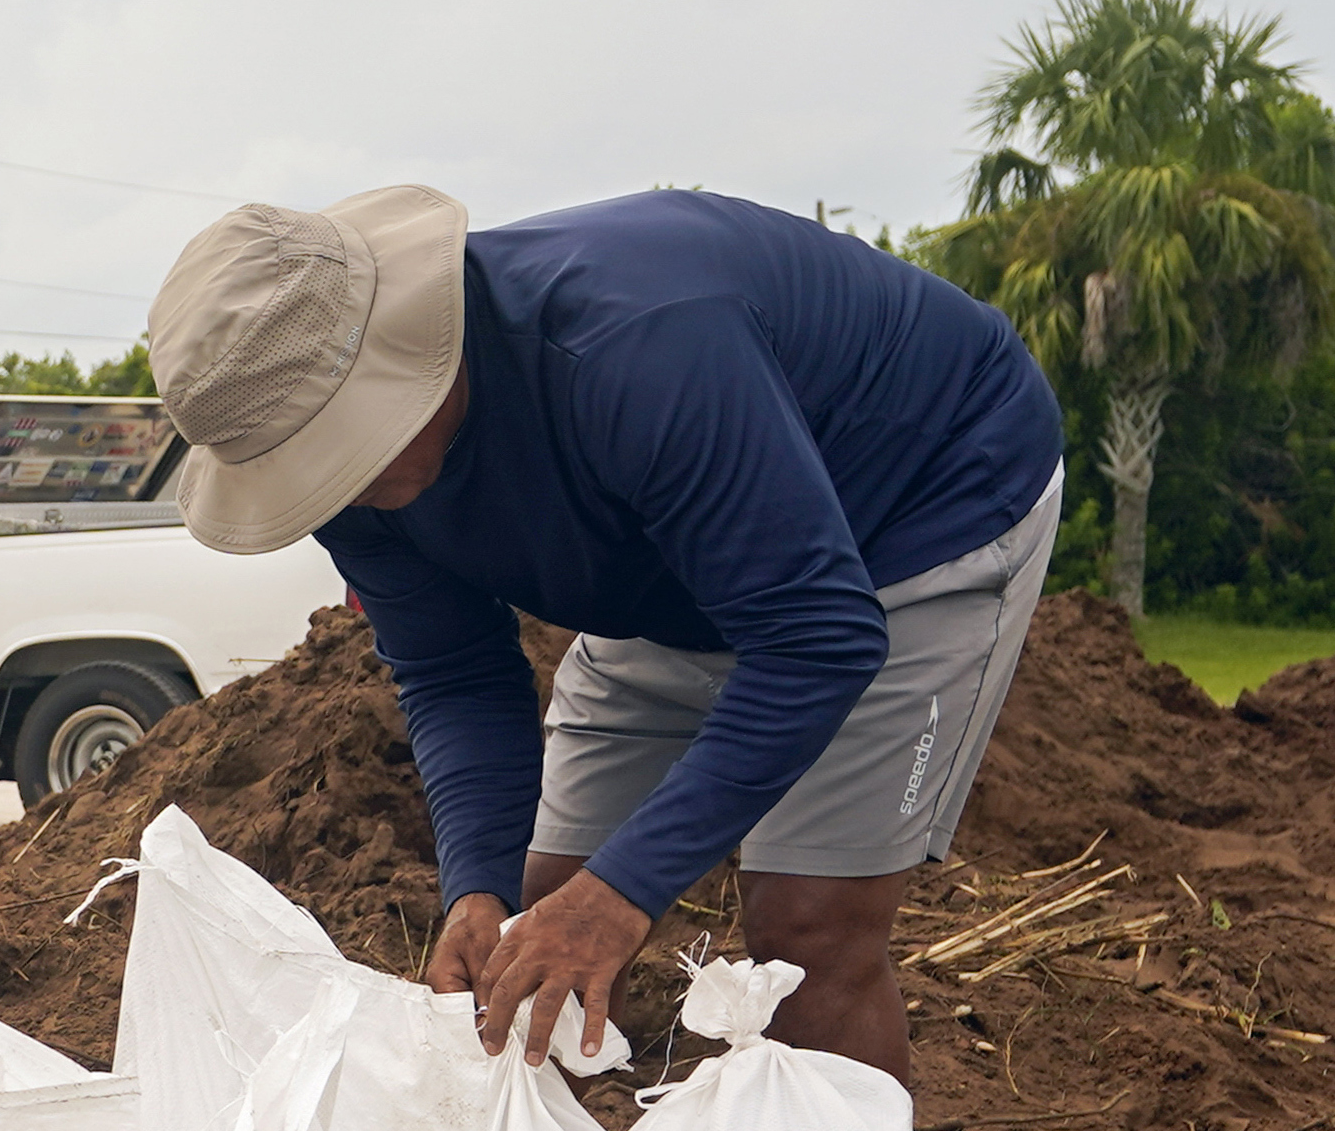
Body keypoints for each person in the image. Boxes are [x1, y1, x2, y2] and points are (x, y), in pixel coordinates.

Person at [146, 186, 1065, 1083]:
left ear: (404, 356)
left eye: (341, 449)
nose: (337, 489)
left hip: (915, 510)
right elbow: (452, 672)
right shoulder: (355, 489)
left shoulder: (637, 346)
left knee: (805, 928)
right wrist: (479, 889)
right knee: (540, 918)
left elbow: (816, 635)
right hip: (671, 564)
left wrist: (625, 895)